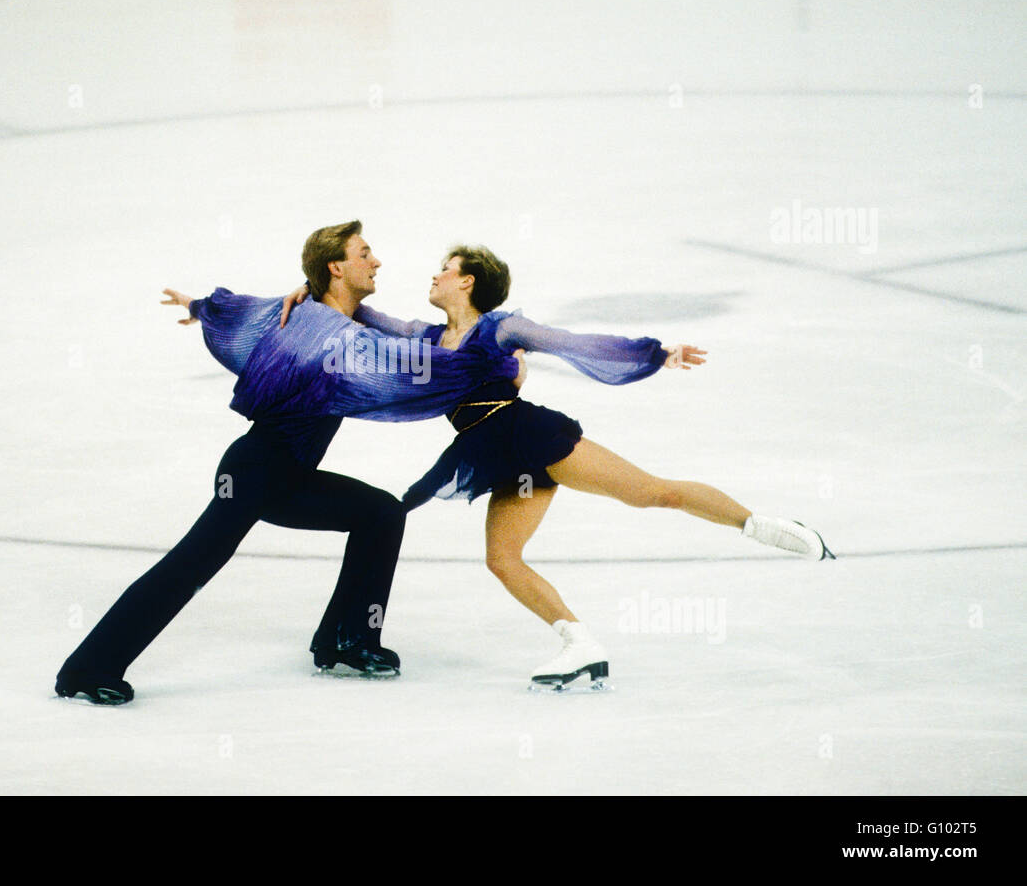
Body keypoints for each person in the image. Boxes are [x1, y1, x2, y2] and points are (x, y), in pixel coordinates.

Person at [281, 245, 834, 689]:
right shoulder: (427, 337)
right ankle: (580, 644)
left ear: (467, 281)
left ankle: (764, 526)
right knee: (502, 559)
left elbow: (572, 342)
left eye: (444, 270)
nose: (435, 276)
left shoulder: (500, 330)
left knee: (649, 493)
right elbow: (363, 316)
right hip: (492, 453)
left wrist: (653, 354)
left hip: (532, 436)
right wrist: (311, 293)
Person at [54, 222, 522, 704]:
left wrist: (202, 306)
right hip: (258, 470)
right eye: (365, 253)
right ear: (337, 267)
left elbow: (238, 312)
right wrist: (500, 366)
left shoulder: (303, 312)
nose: (376, 261)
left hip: (286, 473)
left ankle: (348, 641)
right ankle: (87, 669)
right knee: (191, 563)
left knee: (380, 513)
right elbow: (413, 367)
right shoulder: (334, 335)